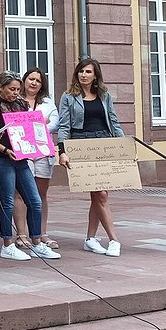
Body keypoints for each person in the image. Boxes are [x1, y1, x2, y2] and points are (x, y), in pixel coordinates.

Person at [0, 72, 61, 262]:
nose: (15, 93)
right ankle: (7, 245)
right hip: (2, 159)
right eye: (11, 89)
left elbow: (32, 131)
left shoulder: (21, 105)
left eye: (18, 89)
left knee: (34, 200)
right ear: (1, 88)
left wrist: (44, 145)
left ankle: (36, 243)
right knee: (7, 202)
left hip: (21, 158)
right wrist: (3, 148)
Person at [58, 58, 125, 257]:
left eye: (88, 72)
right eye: (81, 71)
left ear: (95, 75)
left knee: (98, 195)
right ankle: (114, 239)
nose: (83, 75)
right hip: (81, 145)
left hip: (103, 143)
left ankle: (90, 239)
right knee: (100, 194)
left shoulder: (104, 95)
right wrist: (62, 151)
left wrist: (124, 147)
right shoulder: (68, 96)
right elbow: (64, 125)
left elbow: (113, 121)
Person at [14, 68, 59, 249]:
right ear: (24, 80)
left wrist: (32, 126)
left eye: (38, 81)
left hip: (42, 149)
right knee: (20, 193)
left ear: (42, 85)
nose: (33, 83)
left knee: (41, 193)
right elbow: (12, 123)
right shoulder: (15, 100)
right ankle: (21, 234)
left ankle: (42, 233)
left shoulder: (47, 102)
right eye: (31, 79)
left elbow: (55, 123)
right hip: (22, 149)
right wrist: (39, 123)